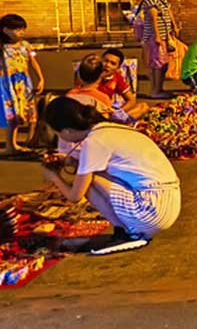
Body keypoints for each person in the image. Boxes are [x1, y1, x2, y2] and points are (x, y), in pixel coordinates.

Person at [41, 96, 180, 250]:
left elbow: (75, 196)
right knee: (89, 174)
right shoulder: (110, 129)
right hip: (169, 203)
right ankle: (129, 229)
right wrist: (74, 162)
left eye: (59, 134)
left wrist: (54, 177)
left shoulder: (93, 141)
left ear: (67, 130)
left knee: (88, 181)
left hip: (150, 212)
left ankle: (128, 232)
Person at [1, 14, 44, 155]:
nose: (21, 32)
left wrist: (40, 78)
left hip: (24, 82)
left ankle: (27, 142)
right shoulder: (2, 47)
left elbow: (33, 62)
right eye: (17, 29)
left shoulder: (25, 45)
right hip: (8, 83)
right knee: (13, 113)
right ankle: (10, 145)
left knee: (29, 112)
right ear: (5, 30)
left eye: (22, 29)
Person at [139, 0, 179, 99]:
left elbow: (168, 11)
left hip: (164, 34)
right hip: (155, 35)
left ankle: (160, 88)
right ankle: (155, 90)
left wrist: (174, 25)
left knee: (164, 63)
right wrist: (157, 35)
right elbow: (153, 18)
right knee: (158, 63)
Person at [98, 48, 148, 120]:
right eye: (105, 61)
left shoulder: (117, 77)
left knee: (143, 106)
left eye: (113, 63)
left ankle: (115, 121)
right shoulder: (93, 73)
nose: (107, 65)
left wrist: (117, 113)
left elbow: (131, 100)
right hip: (94, 112)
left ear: (118, 68)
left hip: (109, 112)